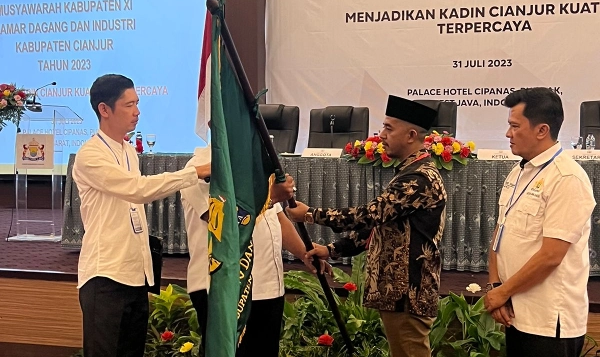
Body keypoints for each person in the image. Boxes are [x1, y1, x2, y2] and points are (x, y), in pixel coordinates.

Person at [286, 95, 447, 357]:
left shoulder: (420, 177)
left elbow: (369, 215)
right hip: (399, 293)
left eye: (388, 128)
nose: (381, 135)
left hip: (408, 291)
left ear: (411, 135)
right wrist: (331, 249)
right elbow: (378, 228)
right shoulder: (408, 171)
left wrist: (311, 214)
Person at [72, 74, 211, 357]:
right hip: (105, 275)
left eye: (137, 103)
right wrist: (193, 173)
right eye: (128, 105)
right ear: (104, 109)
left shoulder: (127, 151)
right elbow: (136, 190)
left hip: (136, 274)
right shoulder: (90, 155)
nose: (137, 112)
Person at [181, 146, 327, 357]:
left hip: (267, 286)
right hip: (225, 290)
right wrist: (270, 196)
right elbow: (224, 222)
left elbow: (277, 218)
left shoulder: (253, 161)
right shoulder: (200, 166)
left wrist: (306, 253)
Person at [484, 87, 595, 357]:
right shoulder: (518, 171)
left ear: (541, 130)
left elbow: (550, 256)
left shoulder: (566, 178)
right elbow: (500, 234)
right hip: (515, 312)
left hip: (548, 322)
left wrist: (502, 293)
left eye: (514, 126)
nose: (508, 134)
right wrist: (496, 287)